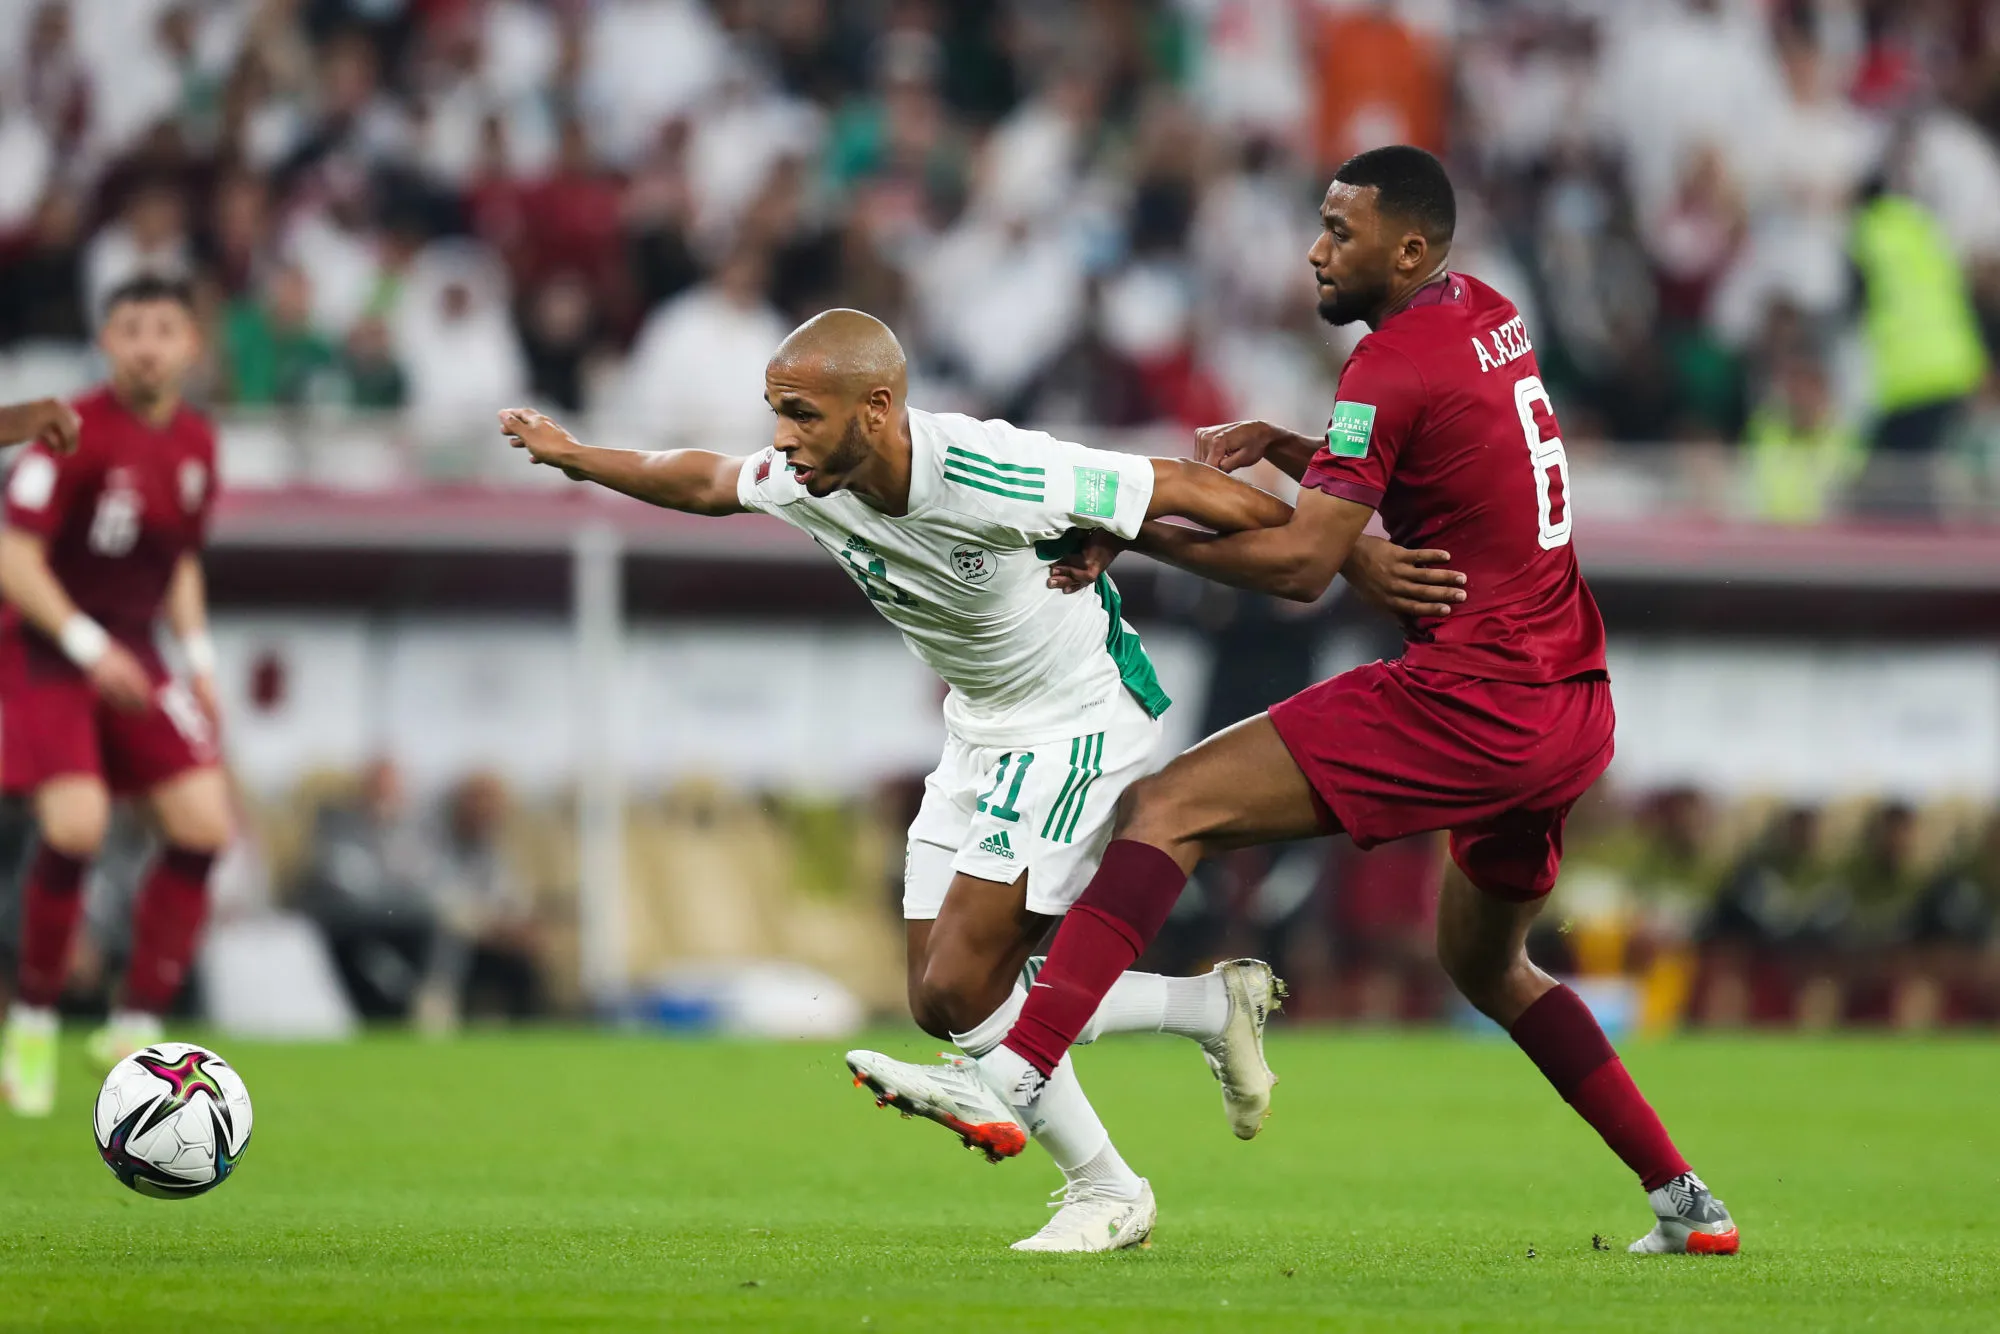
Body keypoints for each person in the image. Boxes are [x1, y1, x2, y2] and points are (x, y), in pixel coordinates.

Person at [856, 147, 1740, 1257]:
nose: (1315, 252)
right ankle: (1683, 1200)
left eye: (1340, 232)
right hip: (1568, 701)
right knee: (1486, 965)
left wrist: (1128, 527)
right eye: (1319, 225)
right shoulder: (1486, 313)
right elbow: (1434, 455)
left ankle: (1015, 1068)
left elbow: (1299, 568)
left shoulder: (1385, 366)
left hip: (1471, 695)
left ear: (1407, 249)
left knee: (1166, 807)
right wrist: (1286, 450)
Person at [497, 308, 1458, 1252]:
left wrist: (1347, 554)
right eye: (775, 413)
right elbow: (703, 479)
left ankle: (1109, 1191)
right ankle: (1208, 1008)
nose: (780, 440)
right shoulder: (808, 475)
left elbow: (1190, 487)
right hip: (982, 730)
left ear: (876, 407)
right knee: (942, 998)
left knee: (968, 981)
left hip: (1081, 715)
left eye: (800, 415)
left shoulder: (991, 469)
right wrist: (575, 454)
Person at [0, 276, 232, 1117]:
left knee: (205, 823)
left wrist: (199, 658)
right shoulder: (71, 432)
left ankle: (132, 1028)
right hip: (45, 642)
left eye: (164, 329)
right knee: (77, 823)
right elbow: (13, 561)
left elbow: (178, 563)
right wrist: (88, 647)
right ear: (106, 340)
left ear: (191, 346)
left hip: (135, 648)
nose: (147, 345)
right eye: (130, 328)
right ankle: (29, 1025)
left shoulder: (199, 443)